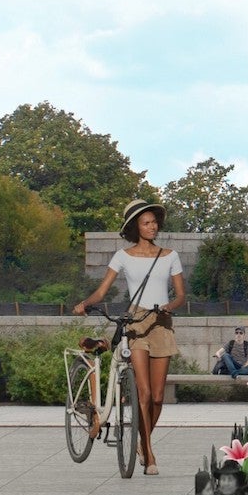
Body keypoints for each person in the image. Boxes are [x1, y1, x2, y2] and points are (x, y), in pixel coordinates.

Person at [73, 199, 186, 476]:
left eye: (154, 222)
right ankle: (148, 453)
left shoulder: (170, 255)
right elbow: (102, 291)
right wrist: (85, 304)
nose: (152, 226)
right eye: (146, 222)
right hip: (135, 322)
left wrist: (169, 307)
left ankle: (140, 440)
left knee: (158, 397)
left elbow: (181, 295)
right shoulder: (122, 256)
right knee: (144, 393)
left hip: (161, 322)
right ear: (135, 226)